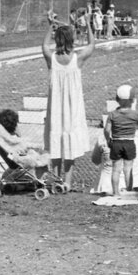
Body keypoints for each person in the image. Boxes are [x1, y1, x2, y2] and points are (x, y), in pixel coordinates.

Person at [42, 10, 96, 190]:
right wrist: (88, 23)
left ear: (57, 40)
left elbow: (44, 44)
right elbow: (91, 44)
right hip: (72, 107)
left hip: (56, 106)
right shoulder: (77, 59)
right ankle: (67, 182)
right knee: (69, 141)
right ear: (71, 40)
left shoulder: (51, 58)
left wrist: (51, 25)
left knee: (56, 138)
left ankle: (56, 179)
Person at [0, 109, 51, 187]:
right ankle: (40, 180)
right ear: (15, 125)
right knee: (35, 156)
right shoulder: (16, 141)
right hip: (8, 177)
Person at [104, 84, 138, 196]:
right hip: (129, 142)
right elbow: (135, 127)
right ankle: (129, 191)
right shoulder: (135, 114)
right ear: (132, 100)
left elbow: (106, 130)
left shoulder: (112, 114)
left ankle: (115, 193)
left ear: (117, 99)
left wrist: (108, 140)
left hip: (116, 142)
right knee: (128, 168)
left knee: (116, 169)